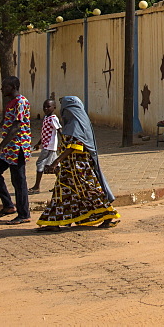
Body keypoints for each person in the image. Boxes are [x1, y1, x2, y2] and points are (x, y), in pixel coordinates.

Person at [35, 95, 120, 232]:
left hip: (80, 169)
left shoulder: (76, 124)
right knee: (61, 194)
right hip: (68, 169)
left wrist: (56, 162)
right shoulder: (72, 123)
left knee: (91, 192)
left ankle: (108, 216)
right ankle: (53, 222)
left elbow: (75, 146)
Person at [0, 76, 32, 224]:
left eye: (5, 86)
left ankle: (24, 214)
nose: (1, 89)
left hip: (18, 147)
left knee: (19, 181)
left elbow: (16, 128)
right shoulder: (10, 103)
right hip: (9, 149)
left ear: (13, 87)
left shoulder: (21, 102)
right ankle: (8, 205)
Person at [30, 98, 61, 193]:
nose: (46, 108)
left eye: (48, 106)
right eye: (44, 107)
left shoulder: (53, 119)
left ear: (54, 107)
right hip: (46, 145)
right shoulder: (46, 118)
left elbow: (59, 130)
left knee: (40, 163)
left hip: (49, 147)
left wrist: (65, 140)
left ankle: (36, 187)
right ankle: (61, 186)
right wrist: (39, 143)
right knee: (56, 166)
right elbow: (44, 133)